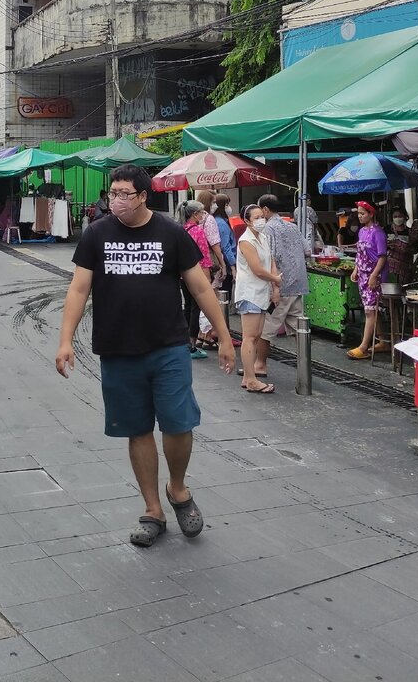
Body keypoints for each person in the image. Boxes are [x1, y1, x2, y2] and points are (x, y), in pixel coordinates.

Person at [56, 165, 235, 549]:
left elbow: (200, 287)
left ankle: (178, 488)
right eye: (113, 193)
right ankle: (153, 509)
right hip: (118, 349)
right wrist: (65, 339)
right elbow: (78, 289)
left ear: (142, 196)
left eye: (124, 193)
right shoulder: (96, 234)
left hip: (168, 346)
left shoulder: (170, 232)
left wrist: (224, 335)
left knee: (178, 425)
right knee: (136, 429)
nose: (116, 199)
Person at [254, 194, 309, 380]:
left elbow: (270, 258)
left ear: (265, 210)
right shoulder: (292, 226)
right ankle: (305, 365)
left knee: (266, 329)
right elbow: (307, 250)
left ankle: (260, 364)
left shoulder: (268, 230)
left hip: (280, 285)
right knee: (299, 328)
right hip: (298, 284)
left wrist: (273, 286)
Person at [235, 204, 282, 394]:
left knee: (256, 337)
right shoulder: (245, 241)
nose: (260, 220)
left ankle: (248, 377)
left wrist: (274, 286)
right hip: (249, 293)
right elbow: (256, 268)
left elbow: (270, 261)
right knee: (250, 337)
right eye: (256, 217)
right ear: (247, 221)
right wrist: (275, 279)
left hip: (261, 292)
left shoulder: (263, 237)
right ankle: (252, 379)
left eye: (262, 216)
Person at [347, 201, 389, 360]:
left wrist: (373, 276)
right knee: (372, 308)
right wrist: (356, 269)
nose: (360, 216)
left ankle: (363, 347)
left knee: (369, 311)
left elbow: (382, 257)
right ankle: (383, 341)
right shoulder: (362, 231)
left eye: (362, 213)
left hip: (374, 276)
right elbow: (359, 254)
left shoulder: (378, 233)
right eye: (358, 213)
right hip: (363, 275)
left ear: (371, 214)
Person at [174, 200, 212, 359]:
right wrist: (207, 278)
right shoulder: (198, 231)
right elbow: (204, 258)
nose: (204, 215)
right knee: (196, 308)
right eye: (202, 212)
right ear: (195, 214)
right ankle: (192, 343)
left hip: (182, 275)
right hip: (196, 275)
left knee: (187, 306)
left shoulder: (180, 230)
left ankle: (183, 341)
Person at [387, 206, 413, 290]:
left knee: (402, 291)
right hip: (389, 267)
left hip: (404, 268)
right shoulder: (387, 229)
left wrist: (404, 248)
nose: (398, 219)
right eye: (395, 216)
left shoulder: (410, 232)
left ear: (405, 217)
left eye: (400, 216)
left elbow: (415, 249)